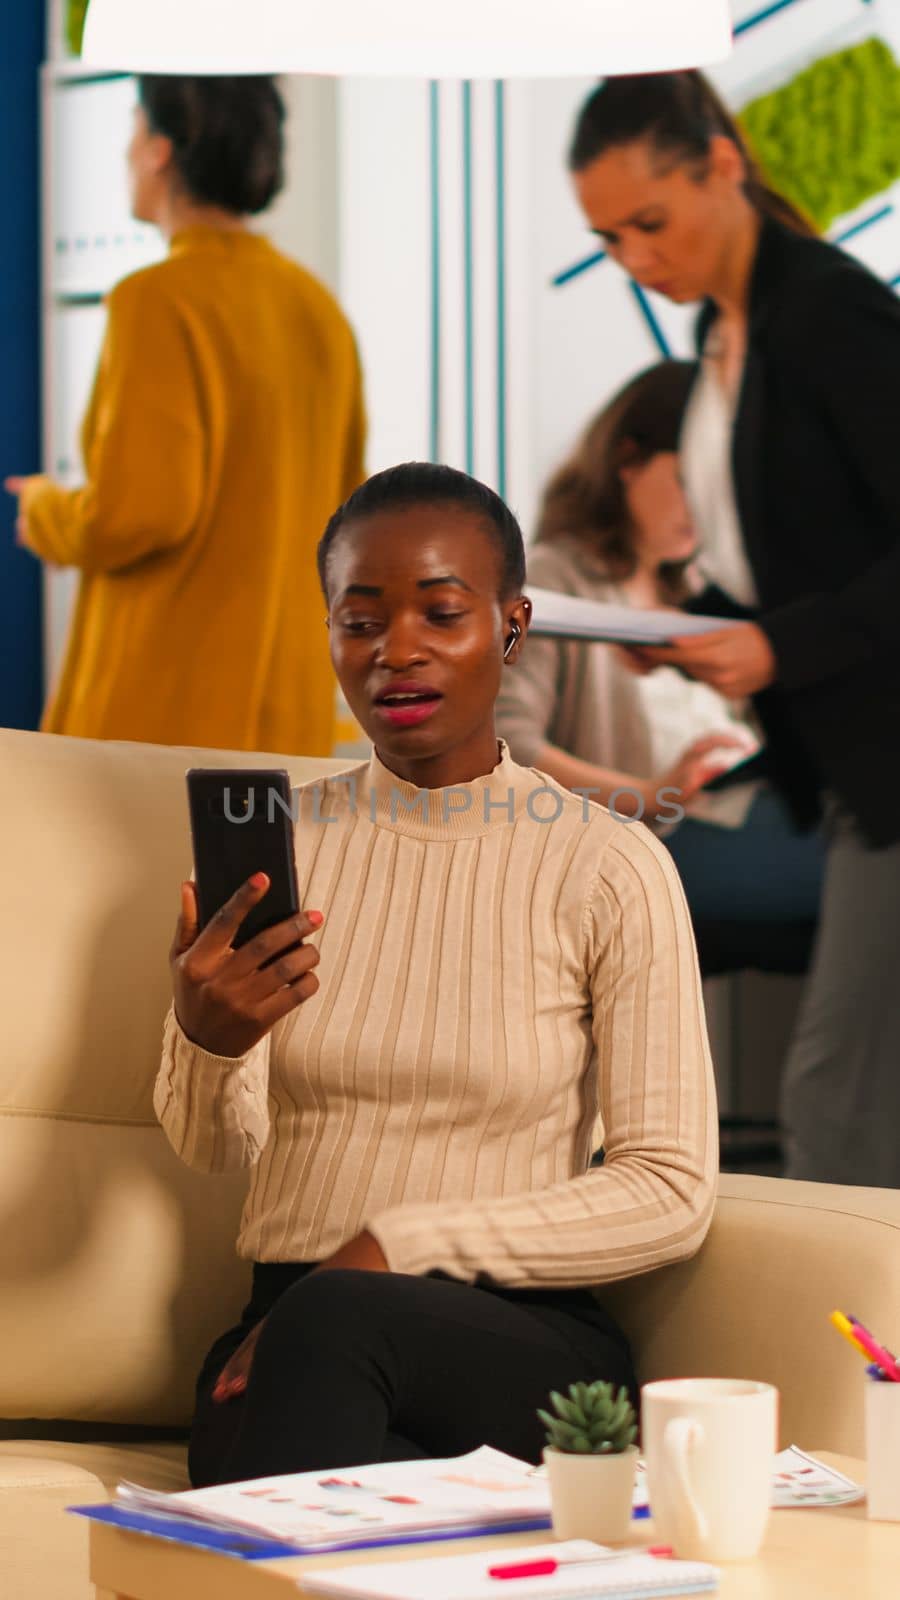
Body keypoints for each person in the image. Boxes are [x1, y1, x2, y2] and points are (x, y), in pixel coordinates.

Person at [155, 461, 717, 1487]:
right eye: (358, 621)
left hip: (523, 1339)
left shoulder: (609, 863)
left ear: (510, 626)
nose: (395, 651)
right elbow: (210, 1149)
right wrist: (208, 1039)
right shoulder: (277, 848)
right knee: (321, 1409)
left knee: (322, 1345)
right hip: (292, 1321)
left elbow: (671, 1187)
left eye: (441, 613)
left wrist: (394, 1242)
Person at [566, 71, 900, 1186]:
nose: (635, 261)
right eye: (609, 239)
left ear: (722, 165)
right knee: (847, 1088)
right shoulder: (724, 330)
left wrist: (776, 648)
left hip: (887, 753)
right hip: (853, 762)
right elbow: (795, 560)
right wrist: (695, 626)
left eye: (650, 224)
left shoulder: (825, 312)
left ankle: (844, 1354)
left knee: (836, 1092)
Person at [5, 76, 365, 755]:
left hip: (163, 714)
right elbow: (348, 510)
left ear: (159, 151)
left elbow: (138, 513)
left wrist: (49, 512)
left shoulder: (155, 300)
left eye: (134, 130)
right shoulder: (317, 309)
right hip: (286, 709)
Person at [495, 360, 824, 942]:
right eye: (695, 483)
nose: (710, 511)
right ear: (627, 461)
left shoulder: (703, 594)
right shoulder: (554, 579)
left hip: (736, 817)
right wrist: (653, 797)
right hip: (646, 843)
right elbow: (510, 752)